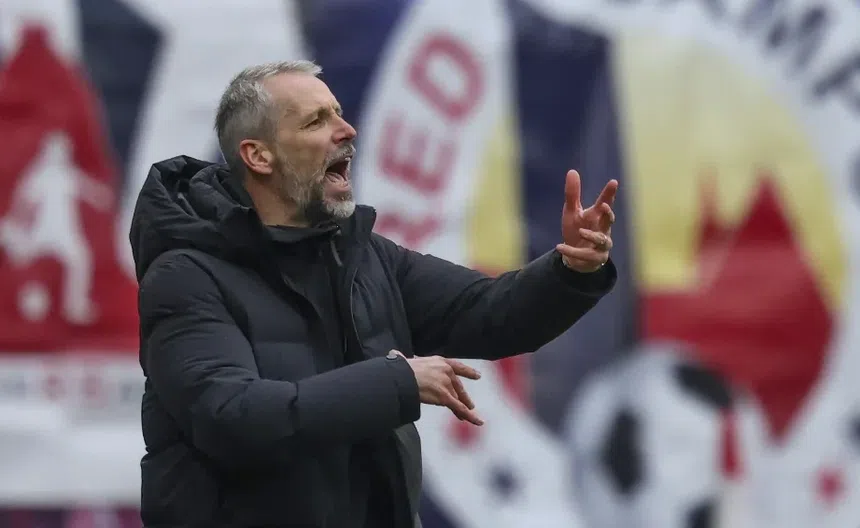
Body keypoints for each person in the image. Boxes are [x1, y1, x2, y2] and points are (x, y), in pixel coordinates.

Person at [130, 60, 618, 528]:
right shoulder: (186, 275)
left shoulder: (363, 257)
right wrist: (395, 383)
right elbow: (231, 416)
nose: (347, 130)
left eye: (339, 113)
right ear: (259, 156)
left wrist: (570, 270)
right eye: (317, 121)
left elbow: (491, 312)